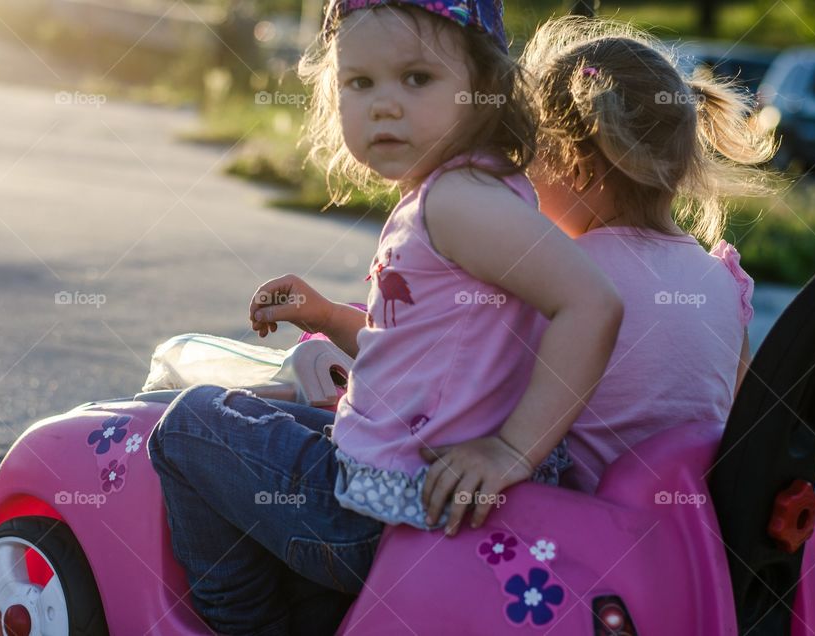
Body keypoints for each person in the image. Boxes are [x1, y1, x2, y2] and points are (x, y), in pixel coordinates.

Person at [146, 3, 623, 634]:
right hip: (399, 484)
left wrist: (512, 449)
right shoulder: (475, 189)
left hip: (379, 514)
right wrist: (323, 315)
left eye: (417, 79)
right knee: (260, 415)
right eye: (360, 82)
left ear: (485, 89)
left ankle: (250, 623)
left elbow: (592, 304)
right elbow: (418, 343)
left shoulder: (455, 203)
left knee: (187, 429)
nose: (384, 104)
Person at [520, 16, 776, 494]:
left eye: (531, 152)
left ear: (576, 165)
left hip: (574, 545)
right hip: (689, 540)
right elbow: (747, 424)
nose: (523, 173)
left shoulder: (559, 279)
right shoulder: (723, 282)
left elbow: (485, 397)